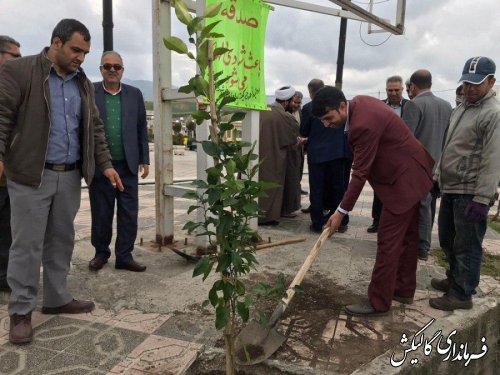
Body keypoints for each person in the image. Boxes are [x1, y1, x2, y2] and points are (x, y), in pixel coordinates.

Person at [0, 19, 123, 345]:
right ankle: (21, 311)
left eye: (85, 52)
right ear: (56, 43)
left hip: (69, 176)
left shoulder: (82, 83)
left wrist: (106, 165)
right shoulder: (21, 72)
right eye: (76, 50)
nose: (81, 57)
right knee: (26, 245)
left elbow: (94, 127)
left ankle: (56, 298)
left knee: (61, 240)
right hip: (30, 176)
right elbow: (2, 117)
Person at [313, 86, 434, 316]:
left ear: (341, 106)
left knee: (388, 242)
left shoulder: (361, 125)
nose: (327, 125)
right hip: (413, 173)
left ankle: (378, 302)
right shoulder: (358, 103)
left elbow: (359, 173)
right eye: (322, 121)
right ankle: (403, 290)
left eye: (329, 118)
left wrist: (340, 211)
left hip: (403, 182)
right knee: (408, 238)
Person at [430, 56, 500, 311]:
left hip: (470, 192)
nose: (469, 88)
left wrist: (482, 198)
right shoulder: (463, 106)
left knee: (467, 245)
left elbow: (493, 159)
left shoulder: (493, 114)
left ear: (491, 81)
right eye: (466, 83)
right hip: (452, 187)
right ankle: (454, 280)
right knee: (448, 239)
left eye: (476, 84)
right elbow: (448, 145)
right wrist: (438, 175)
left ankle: (462, 293)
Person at [88, 51, 149, 272]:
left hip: (129, 165)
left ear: (123, 69)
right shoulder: (90, 92)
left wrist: (144, 159)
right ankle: (101, 254)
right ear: (100, 69)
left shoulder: (135, 94)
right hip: (102, 167)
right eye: (107, 66)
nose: (112, 70)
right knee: (101, 213)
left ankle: (124, 256)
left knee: (128, 213)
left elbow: (142, 128)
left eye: (117, 66)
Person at [402, 69, 452, 261]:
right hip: (438, 165)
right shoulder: (446, 106)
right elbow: (448, 139)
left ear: (413, 86)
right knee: (428, 205)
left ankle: (421, 246)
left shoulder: (413, 105)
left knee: (420, 205)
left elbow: (406, 140)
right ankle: (424, 242)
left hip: (417, 166)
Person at [300, 79, 351, 233]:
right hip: (338, 153)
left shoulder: (309, 108)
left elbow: (303, 130)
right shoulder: (338, 108)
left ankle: (317, 223)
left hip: (317, 155)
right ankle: (342, 222)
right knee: (338, 188)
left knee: (317, 189)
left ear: (310, 92)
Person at [367, 75, 409, 233]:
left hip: (401, 157)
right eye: (390, 90)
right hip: (381, 155)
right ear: (386, 90)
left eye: (396, 90)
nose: (393, 93)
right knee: (380, 191)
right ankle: (377, 221)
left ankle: (394, 223)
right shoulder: (378, 106)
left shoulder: (409, 107)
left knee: (397, 191)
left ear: (402, 90)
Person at [258, 86, 301, 225]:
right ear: (286, 102)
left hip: (256, 157)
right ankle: (267, 217)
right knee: (271, 188)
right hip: (274, 158)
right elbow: (292, 138)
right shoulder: (286, 117)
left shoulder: (261, 110)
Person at [0, 35, 21, 293]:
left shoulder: (14, 87)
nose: (19, 61)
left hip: (10, 177)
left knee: (8, 229)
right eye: (14, 56)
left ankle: (4, 277)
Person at [290, 91, 307, 196]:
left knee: (299, 168)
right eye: (295, 102)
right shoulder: (286, 111)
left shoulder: (301, 112)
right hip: (289, 145)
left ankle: (298, 187)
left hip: (300, 146)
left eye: (299, 103)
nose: (296, 105)